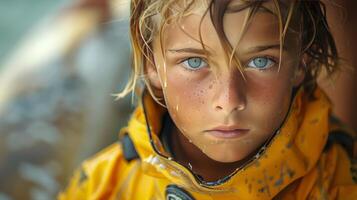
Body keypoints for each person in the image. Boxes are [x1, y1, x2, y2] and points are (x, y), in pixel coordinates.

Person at [58, 0, 357, 199]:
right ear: (152, 64)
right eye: (194, 62)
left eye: (261, 62)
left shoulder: (340, 181)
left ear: (301, 63)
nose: (228, 100)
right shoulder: (102, 185)